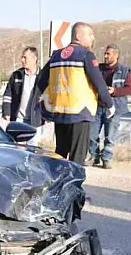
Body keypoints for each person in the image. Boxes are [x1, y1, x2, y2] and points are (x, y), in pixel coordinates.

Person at [39, 22, 114, 165]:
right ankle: (73, 187)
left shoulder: (56, 56)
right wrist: (109, 104)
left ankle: (57, 184)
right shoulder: (86, 55)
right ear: (79, 36)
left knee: (60, 154)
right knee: (77, 158)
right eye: (90, 34)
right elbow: (98, 82)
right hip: (80, 112)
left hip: (60, 113)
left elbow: (41, 81)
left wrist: (45, 105)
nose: (93, 38)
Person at [87, 44, 131, 169]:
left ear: (116, 55)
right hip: (97, 106)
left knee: (110, 135)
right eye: (105, 53)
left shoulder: (124, 71)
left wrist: (115, 91)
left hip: (114, 107)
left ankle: (106, 158)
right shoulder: (98, 68)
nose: (105, 56)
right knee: (92, 134)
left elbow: (129, 89)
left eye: (108, 54)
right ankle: (93, 156)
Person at [2, 47, 40, 123]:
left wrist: (47, 117)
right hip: (17, 120)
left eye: (25, 57)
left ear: (34, 58)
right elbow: (7, 95)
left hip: (36, 121)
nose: (22, 60)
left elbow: (48, 98)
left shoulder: (42, 76)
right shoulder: (16, 75)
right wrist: (6, 112)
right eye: (22, 57)